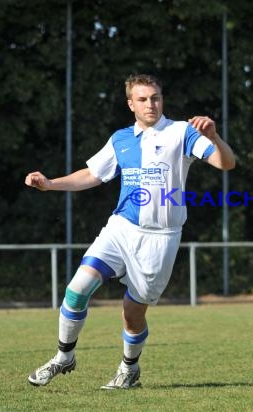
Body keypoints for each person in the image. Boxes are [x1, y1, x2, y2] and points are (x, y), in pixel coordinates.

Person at [25, 74, 235, 389]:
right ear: (130, 104)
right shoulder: (121, 138)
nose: (151, 104)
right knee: (77, 288)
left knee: (132, 313)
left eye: (155, 97)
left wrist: (215, 137)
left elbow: (226, 163)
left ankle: (129, 368)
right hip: (121, 227)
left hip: (160, 238)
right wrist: (50, 184)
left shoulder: (182, 132)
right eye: (143, 99)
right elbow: (93, 174)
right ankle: (63, 357)